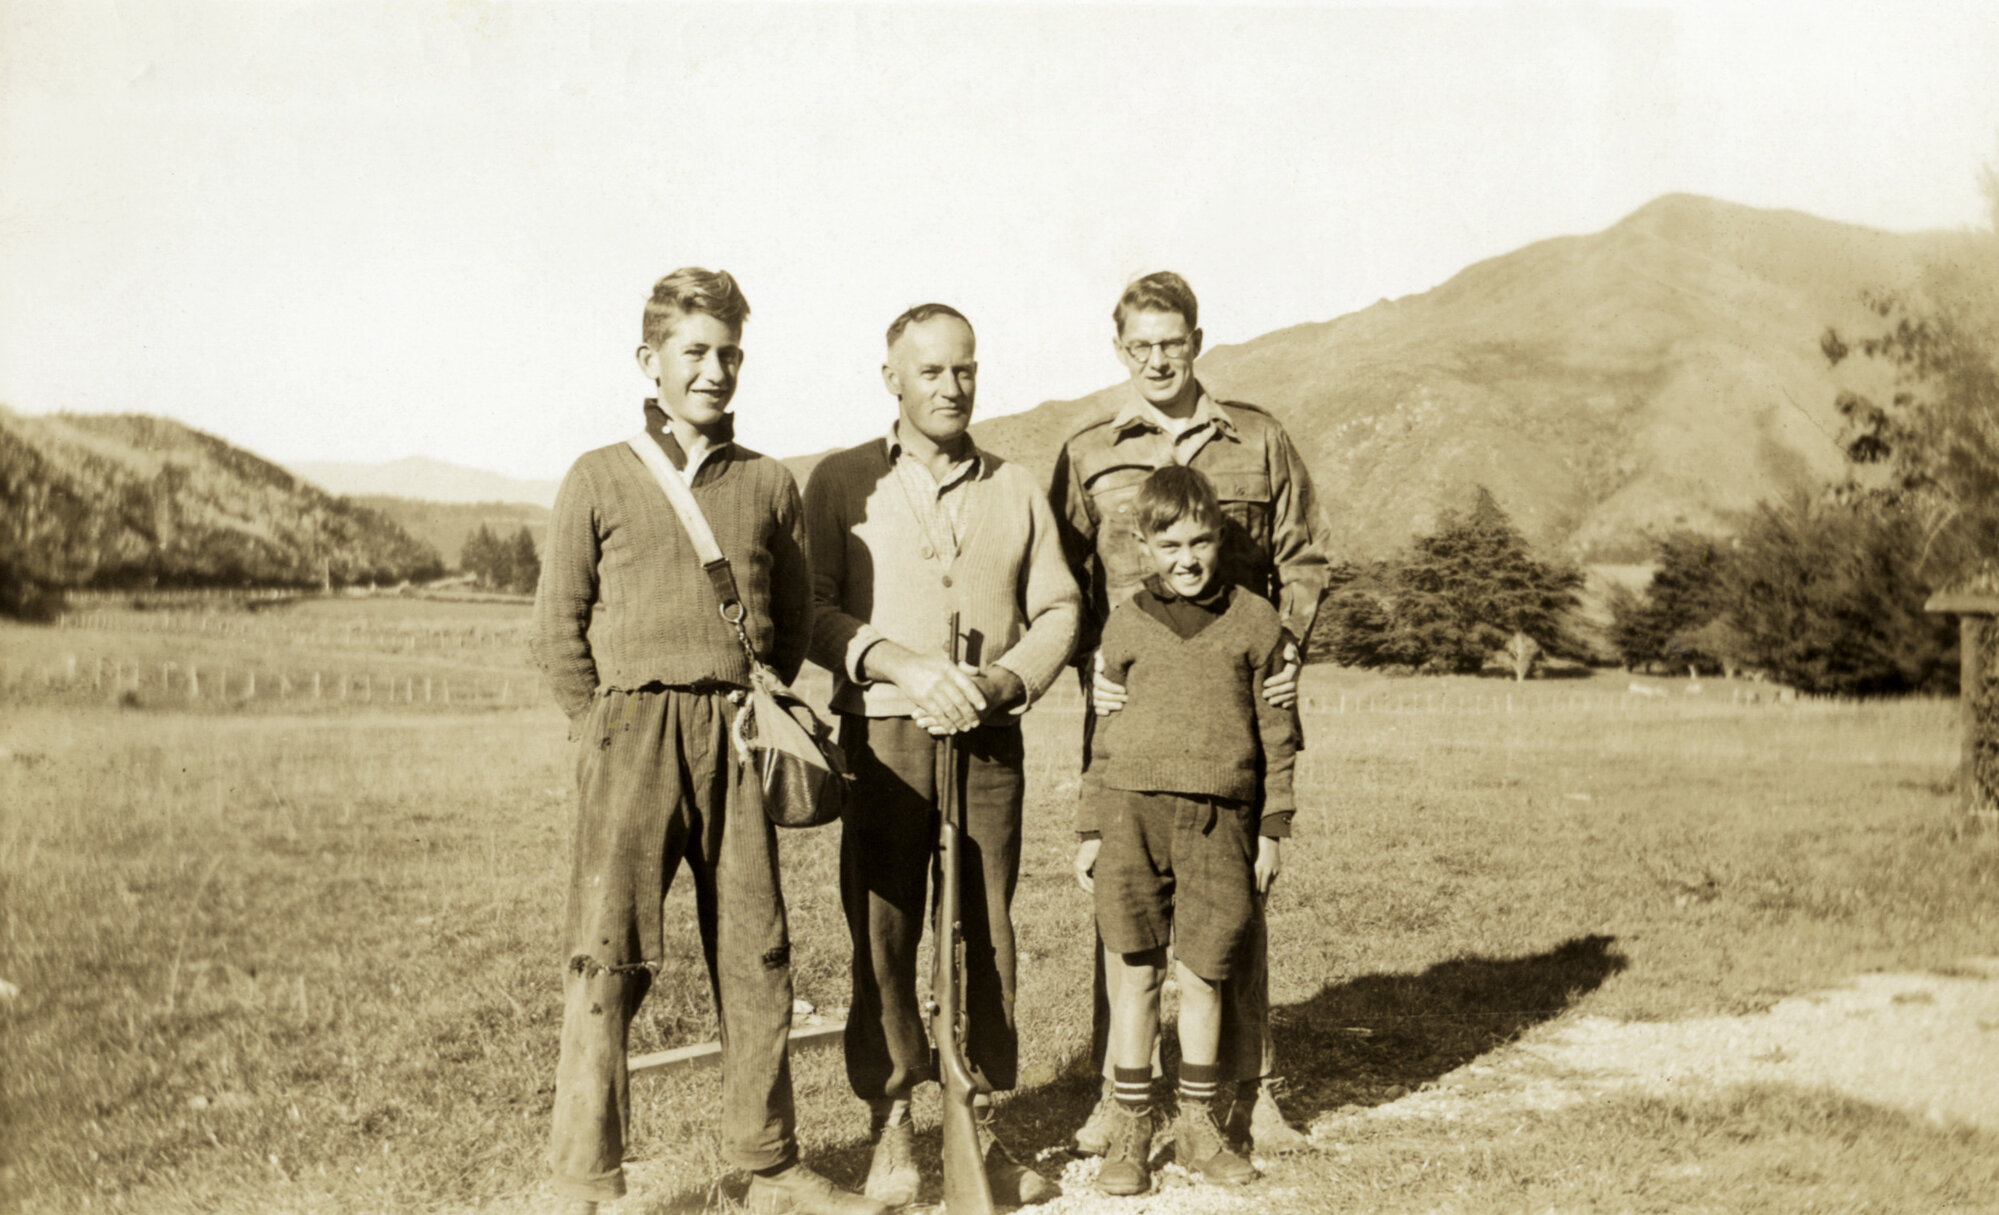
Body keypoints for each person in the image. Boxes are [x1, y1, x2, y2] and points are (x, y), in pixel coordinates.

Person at [532, 268, 884, 1215]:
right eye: (695, 351)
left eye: (729, 352)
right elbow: (556, 629)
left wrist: (756, 710)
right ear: (650, 362)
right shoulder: (597, 474)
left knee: (757, 951)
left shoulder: (768, 482)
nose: (715, 369)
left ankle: (764, 1166)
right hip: (630, 736)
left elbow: (792, 617)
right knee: (607, 954)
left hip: (736, 736)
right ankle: (585, 1179)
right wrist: (602, 733)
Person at [805, 303, 1079, 1209]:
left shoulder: (1015, 484)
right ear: (892, 378)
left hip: (989, 741)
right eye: (930, 371)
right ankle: (892, 1128)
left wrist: (1002, 681)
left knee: (984, 929)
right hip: (882, 737)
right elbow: (811, 610)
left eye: (964, 368)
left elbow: (1061, 611)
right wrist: (903, 665)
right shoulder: (840, 481)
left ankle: (980, 1120)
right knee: (883, 930)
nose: (951, 386)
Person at [1050, 271, 1331, 1154]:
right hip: (1128, 708)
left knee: (1233, 897)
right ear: (1118, 347)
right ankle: (1115, 1098)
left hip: (1234, 710)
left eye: (1173, 341)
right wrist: (1090, 675)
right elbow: (1062, 581)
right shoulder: (1089, 452)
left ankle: (1252, 1089)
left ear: (1198, 340)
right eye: (1141, 344)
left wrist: (1283, 652)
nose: (1158, 358)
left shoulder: (1259, 437)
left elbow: (1306, 555)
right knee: (1124, 911)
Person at [1073, 464, 1298, 1194]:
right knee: (1134, 971)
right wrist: (1089, 826)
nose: (1187, 558)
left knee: (1204, 972)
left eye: (1201, 541)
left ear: (1219, 539)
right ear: (1142, 544)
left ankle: (1199, 1123)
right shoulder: (1126, 619)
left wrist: (1270, 827)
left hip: (1219, 820)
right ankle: (1131, 1128)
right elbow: (1103, 732)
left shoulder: (1257, 621)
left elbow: (1278, 731)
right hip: (1131, 813)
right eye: (1169, 543)